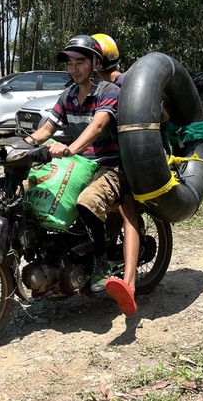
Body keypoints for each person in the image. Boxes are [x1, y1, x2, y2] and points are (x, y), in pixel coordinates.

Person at [24, 34, 137, 316]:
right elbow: (46, 129)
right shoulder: (68, 96)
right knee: (29, 192)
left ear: (95, 63)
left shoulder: (109, 91)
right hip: (76, 166)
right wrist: (21, 145)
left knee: (87, 202)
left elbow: (98, 126)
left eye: (80, 62)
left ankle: (101, 262)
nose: (74, 68)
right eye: (70, 64)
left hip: (109, 166)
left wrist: (70, 148)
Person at [89, 32, 141, 314]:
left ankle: (129, 284)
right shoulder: (89, 89)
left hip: (124, 160)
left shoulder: (124, 84)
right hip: (95, 161)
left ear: (98, 61)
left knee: (127, 210)